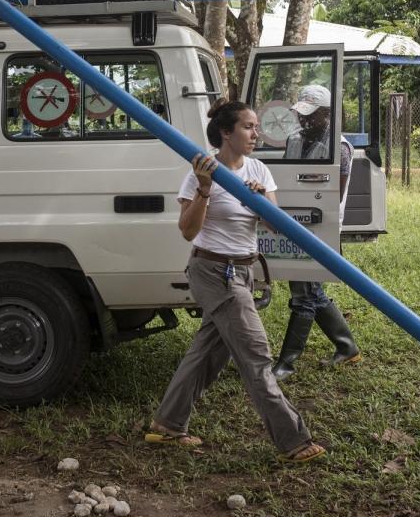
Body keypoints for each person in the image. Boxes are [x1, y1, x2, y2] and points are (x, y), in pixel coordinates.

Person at [145, 99, 326, 463]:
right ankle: (294, 442)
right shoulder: (201, 171)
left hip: (243, 271)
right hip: (213, 271)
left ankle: (167, 424)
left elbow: (275, 225)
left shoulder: (259, 169)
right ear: (226, 133)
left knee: (209, 351)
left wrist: (262, 203)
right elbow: (187, 231)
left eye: (256, 126)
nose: (256, 133)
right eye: (248, 127)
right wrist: (205, 188)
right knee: (256, 355)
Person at [272, 85, 361, 380]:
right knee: (311, 289)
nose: (305, 121)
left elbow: (333, 195)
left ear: (327, 114)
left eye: (312, 116)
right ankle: (347, 346)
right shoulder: (293, 140)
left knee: (304, 295)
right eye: (302, 115)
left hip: (318, 226)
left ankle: (286, 363)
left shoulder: (340, 148)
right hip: (293, 223)